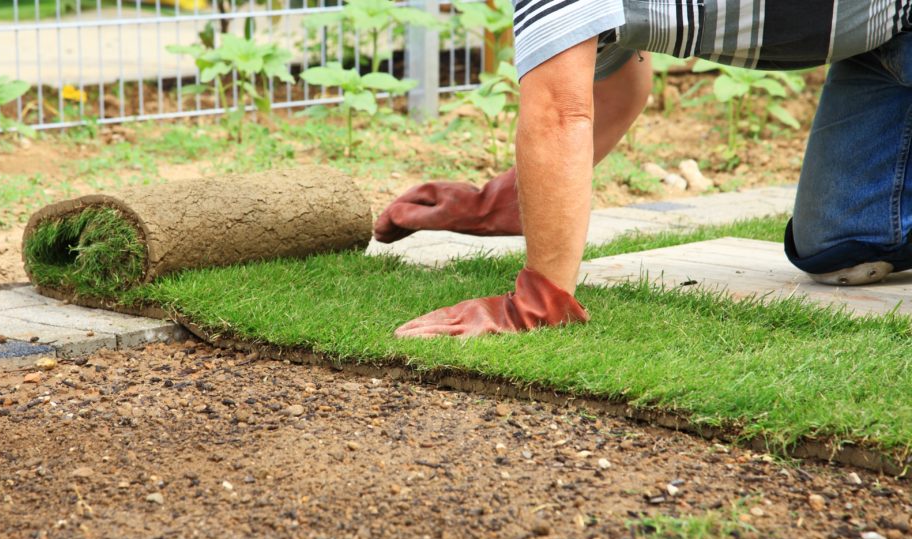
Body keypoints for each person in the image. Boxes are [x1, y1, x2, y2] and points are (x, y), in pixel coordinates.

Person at [377, 0, 912, 338]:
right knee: (841, 247)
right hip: (885, 37)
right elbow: (612, 94)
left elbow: (562, 115)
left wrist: (537, 305)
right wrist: (498, 205)